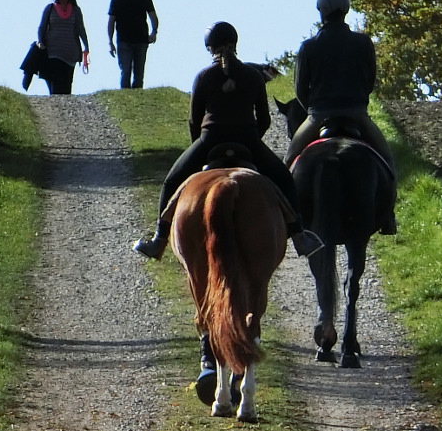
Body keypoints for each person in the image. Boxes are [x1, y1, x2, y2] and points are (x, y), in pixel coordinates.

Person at [133, 21, 323, 259]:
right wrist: (252, 142)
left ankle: (159, 240)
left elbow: (194, 120)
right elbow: (264, 119)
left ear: (209, 48)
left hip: (210, 140)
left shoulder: (203, 77)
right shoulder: (253, 76)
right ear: (235, 44)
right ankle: (299, 236)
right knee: (284, 179)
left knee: (171, 182)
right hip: (248, 140)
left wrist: (199, 146)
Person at [286, 0, 398, 235]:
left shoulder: (309, 46)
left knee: (289, 161)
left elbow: (300, 90)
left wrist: (313, 110)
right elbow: (369, 80)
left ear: (321, 13)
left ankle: (286, 216)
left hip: (318, 116)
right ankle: (388, 216)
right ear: (345, 10)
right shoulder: (363, 42)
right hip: (357, 114)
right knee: (387, 160)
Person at [34, 0, 90, 95]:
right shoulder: (50, 9)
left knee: (67, 82)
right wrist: (40, 41)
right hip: (53, 51)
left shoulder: (76, 10)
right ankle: (55, 105)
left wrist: (86, 45)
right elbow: (42, 26)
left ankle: (64, 107)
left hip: (71, 52)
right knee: (56, 79)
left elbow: (80, 29)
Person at [107, 0, 158, 89]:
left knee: (139, 73)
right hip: (124, 41)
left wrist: (154, 32)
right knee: (125, 70)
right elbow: (111, 21)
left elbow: (153, 16)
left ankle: (138, 97)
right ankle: (125, 97)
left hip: (141, 40)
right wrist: (110, 42)